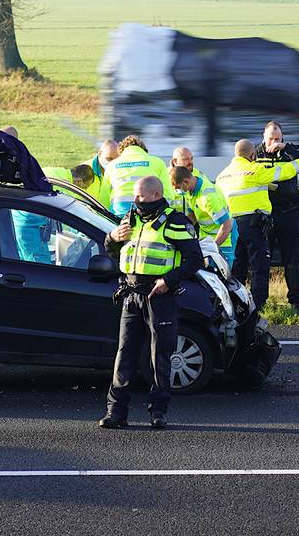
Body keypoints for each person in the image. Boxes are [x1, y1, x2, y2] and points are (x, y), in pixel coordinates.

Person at [98, 176, 202, 430]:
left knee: (160, 355)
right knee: (125, 353)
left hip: (160, 295)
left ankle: (158, 411)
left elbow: (194, 259)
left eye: (141, 197)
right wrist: (112, 237)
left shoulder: (175, 221)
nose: (136, 201)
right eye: (135, 196)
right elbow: (114, 251)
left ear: (156, 195)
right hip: (132, 293)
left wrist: (169, 280)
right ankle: (116, 412)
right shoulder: (129, 218)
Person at [216, 139, 299, 312]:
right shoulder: (256, 170)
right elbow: (286, 171)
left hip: (231, 228)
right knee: (259, 267)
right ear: (253, 155)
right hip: (253, 226)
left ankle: (234, 306)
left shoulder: (222, 176)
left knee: (238, 268)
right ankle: (257, 308)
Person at [255, 121, 299, 313]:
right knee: (262, 261)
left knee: (292, 260)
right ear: (264, 135)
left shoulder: (289, 151)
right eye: (271, 138)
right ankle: (260, 304)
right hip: (264, 215)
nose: (274, 142)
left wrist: (284, 147)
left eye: (278, 138)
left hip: (289, 212)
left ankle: (296, 303)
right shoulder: (255, 154)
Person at [170, 165, 236, 268]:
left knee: (222, 277)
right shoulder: (190, 191)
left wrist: (214, 247)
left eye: (178, 188)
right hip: (206, 238)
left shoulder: (208, 197)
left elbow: (226, 225)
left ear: (186, 182)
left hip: (224, 239)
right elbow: (192, 217)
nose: (179, 191)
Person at [105, 135, 170, 217]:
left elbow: (104, 196)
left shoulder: (111, 165)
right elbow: (167, 193)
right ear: (143, 149)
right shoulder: (157, 162)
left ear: (121, 151)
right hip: (147, 212)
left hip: (119, 212)